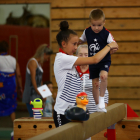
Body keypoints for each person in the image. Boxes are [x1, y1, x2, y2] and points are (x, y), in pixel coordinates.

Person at [53, 20, 118, 128]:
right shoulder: (62, 58)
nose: (75, 47)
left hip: (74, 111)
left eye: (76, 44)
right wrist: (109, 46)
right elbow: (95, 59)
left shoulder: (70, 61)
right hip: (62, 112)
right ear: (63, 44)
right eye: (74, 44)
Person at [79, 9, 118, 112]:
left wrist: (114, 48)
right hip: (93, 61)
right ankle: (97, 105)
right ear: (90, 23)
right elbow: (80, 40)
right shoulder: (87, 31)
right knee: (95, 84)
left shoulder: (106, 33)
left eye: (99, 25)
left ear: (104, 22)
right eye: (94, 25)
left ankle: (101, 100)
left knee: (104, 76)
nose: (96, 28)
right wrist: (74, 44)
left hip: (104, 61)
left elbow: (114, 44)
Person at [76, 44, 109, 114]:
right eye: (80, 55)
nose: (83, 57)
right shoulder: (73, 71)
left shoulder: (96, 71)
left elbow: (104, 91)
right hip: (77, 112)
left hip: (94, 111)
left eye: (86, 55)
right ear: (76, 56)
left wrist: (103, 105)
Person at [22, 44, 53, 117]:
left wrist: (44, 94)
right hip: (31, 93)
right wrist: (40, 92)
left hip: (37, 93)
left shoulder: (39, 64)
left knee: (39, 116)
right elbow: (33, 80)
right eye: (47, 57)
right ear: (44, 54)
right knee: (34, 116)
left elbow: (40, 81)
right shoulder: (32, 62)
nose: (47, 59)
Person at [0, 40, 23, 138]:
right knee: (11, 107)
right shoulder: (13, 60)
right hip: (11, 87)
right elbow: (18, 75)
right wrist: (20, 87)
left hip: (1, 87)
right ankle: (15, 130)